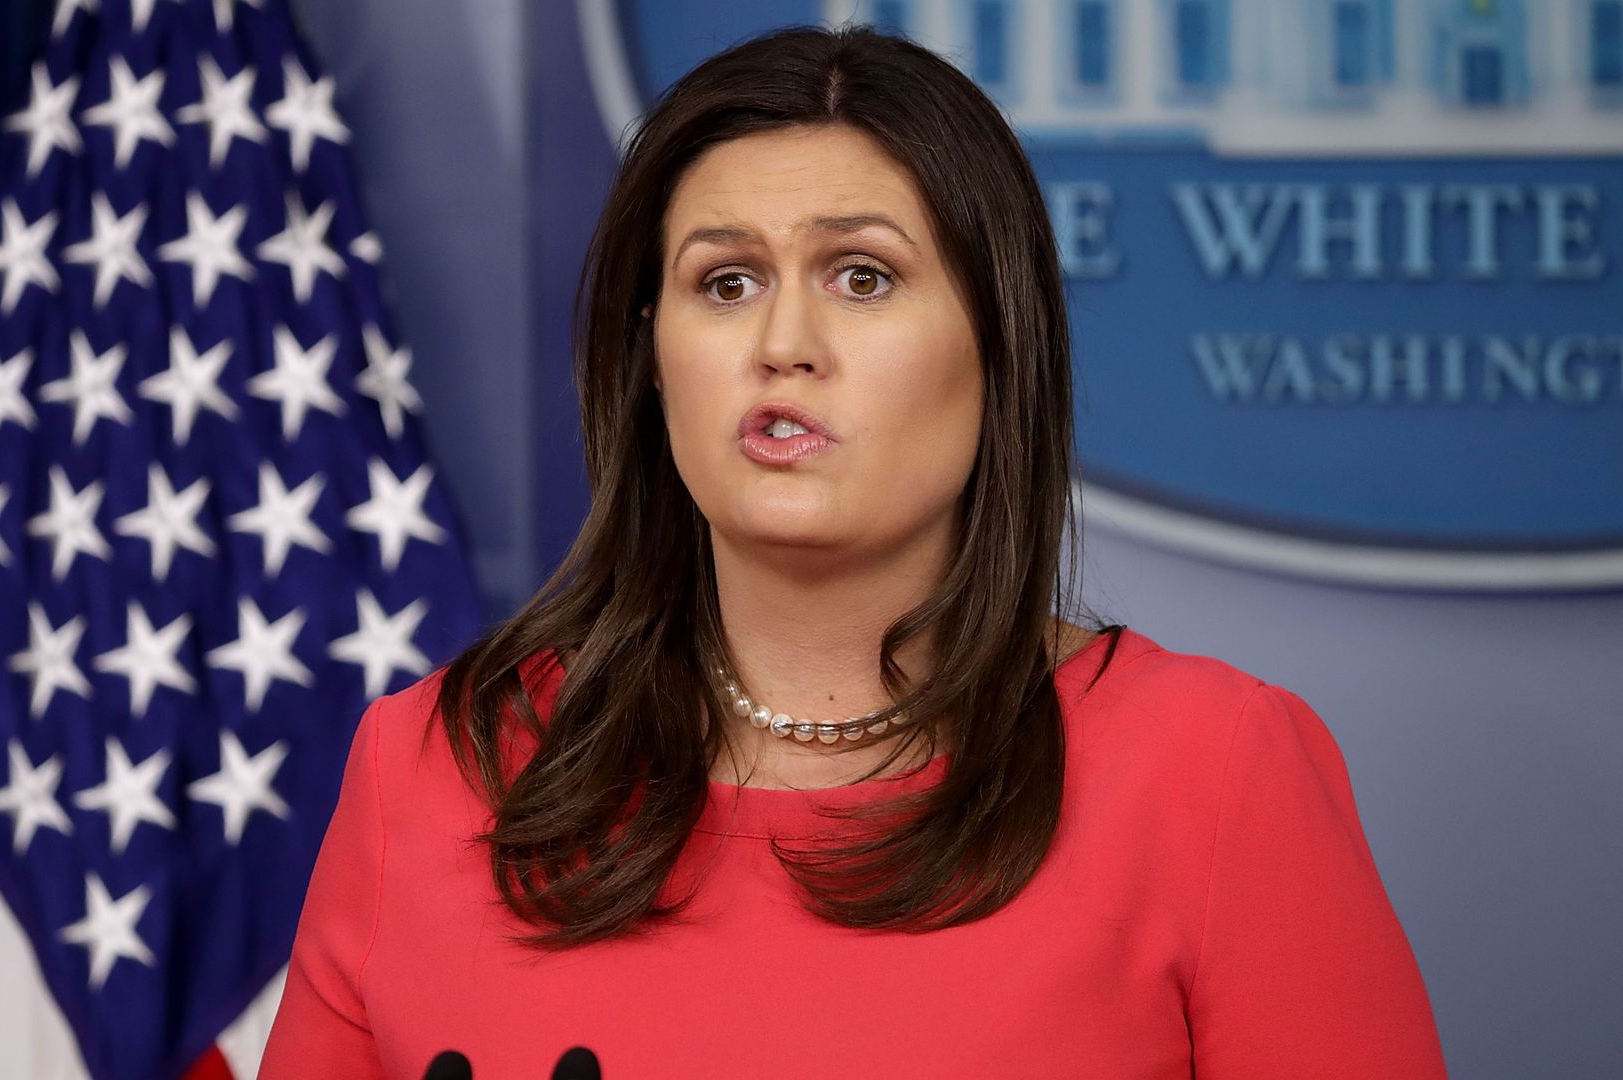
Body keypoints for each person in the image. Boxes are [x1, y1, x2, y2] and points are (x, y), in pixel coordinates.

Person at [258, 25, 1446, 1080]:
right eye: (725, 282)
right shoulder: (431, 762)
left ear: (999, 346)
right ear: (650, 360)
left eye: (863, 276)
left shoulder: (1216, 774)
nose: (784, 343)